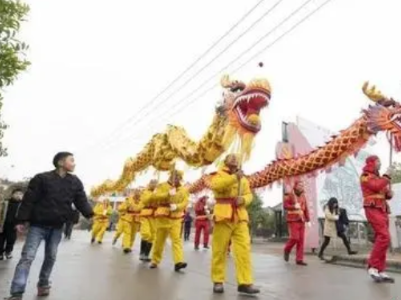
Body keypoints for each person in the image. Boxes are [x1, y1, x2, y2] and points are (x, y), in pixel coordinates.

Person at [5, 152, 93, 300]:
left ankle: (43, 285)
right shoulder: (42, 178)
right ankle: (17, 292)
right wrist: (21, 221)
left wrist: (90, 214)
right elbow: (29, 200)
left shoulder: (75, 182)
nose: (74, 163)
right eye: (71, 160)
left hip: (57, 227)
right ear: (60, 162)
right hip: (37, 226)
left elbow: (81, 200)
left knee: (50, 257)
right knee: (27, 257)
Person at [209, 154, 259, 295]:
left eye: (236, 158)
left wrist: (243, 199)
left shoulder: (243, 178)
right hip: (223, 215)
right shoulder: (218, 174)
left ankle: (245, 282)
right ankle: (218, 281)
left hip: (240, 216)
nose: (234, 159)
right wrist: (234, 178)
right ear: (225, 161)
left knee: (243, 250)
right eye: (231, 157)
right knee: (219, 250)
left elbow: (249, 195)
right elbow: (216, 186)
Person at [360, 155, 394, 283]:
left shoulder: (379, 177)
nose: (380, 163)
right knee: (384, 236)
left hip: (382, 208)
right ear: (371, 163)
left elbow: (383, 191)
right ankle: (372, 266)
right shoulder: (365, 176)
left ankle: (380, 269)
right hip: (372, 208)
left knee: (385, 239)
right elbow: (375, 186)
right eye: (377, 161)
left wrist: (389, 194)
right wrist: (387, 176)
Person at [150, 170, 189, 272]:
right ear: (170, 176)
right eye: (174, 176)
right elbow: (154, 196)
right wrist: (167, 194)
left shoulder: (184, 190)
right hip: (163, 217)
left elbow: (185, 202)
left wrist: (177, 206)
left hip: (176, 218)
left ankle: (178, 262)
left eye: (178, 177)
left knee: (176, 240)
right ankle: (155, 260)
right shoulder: (161, 185)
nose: (175, 178)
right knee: (159, 240)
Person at [283, 180, 310, 266]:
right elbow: (285, 206)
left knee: (301, 240)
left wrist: (308, 219)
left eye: (302, 185)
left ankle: (299, 259)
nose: (301, 187)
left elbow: (305, 208)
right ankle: (287, 249)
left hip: (301, 220)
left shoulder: (303, 196)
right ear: (295, 186)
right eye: (300, 185)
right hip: (293, 220)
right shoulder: (290, 194)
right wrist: (293, 206)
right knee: (295, 238)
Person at [0, 188, 24, 260]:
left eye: (20, 194)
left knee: (11, 240)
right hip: (3, 224)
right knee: (1, 239)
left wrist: (20, 224)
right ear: (12, 195)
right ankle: (0, 253)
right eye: (16, 193)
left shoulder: (22, 205)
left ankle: (8, 252)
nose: (18, 195)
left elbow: (23, 216)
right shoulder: (6, 202)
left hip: (13, 226)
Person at [139, 180, 158, 262]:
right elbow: (144, 201)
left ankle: (146, 255)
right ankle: (142, 253)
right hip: (145, 215)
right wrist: (153, 195)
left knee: (153, 236)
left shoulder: (158, 192)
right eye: (152, 183)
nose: (154, 185)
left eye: (155, 184)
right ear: (149, 184)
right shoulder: (145, 192)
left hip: (154, 216)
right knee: (146, 233)